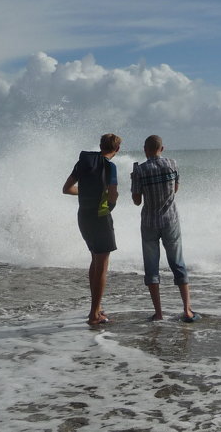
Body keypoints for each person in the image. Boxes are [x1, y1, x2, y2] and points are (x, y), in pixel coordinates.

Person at [131, 135, 198, 322]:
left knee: (152, 268)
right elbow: (175, 189)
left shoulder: (140, 170)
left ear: (145, 149)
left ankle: (159, 313)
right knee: (177, 263)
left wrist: (134, 181)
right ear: (162, 148)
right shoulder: (172, 164)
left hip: (149, 223)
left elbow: (137, 201)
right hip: (171, 220)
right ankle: (187, 310)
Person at [62, 133, 121, 326]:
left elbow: (67, 188)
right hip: (100, 218)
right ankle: (94, 314)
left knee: (95, 260)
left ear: (100, 146)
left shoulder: (83, 164)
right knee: (102, 264)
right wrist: (110, 202)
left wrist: (87, 191)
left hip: (83, 217)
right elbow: (112, 196)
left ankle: (96, 307)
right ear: (117, 149)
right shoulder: (110, 167)